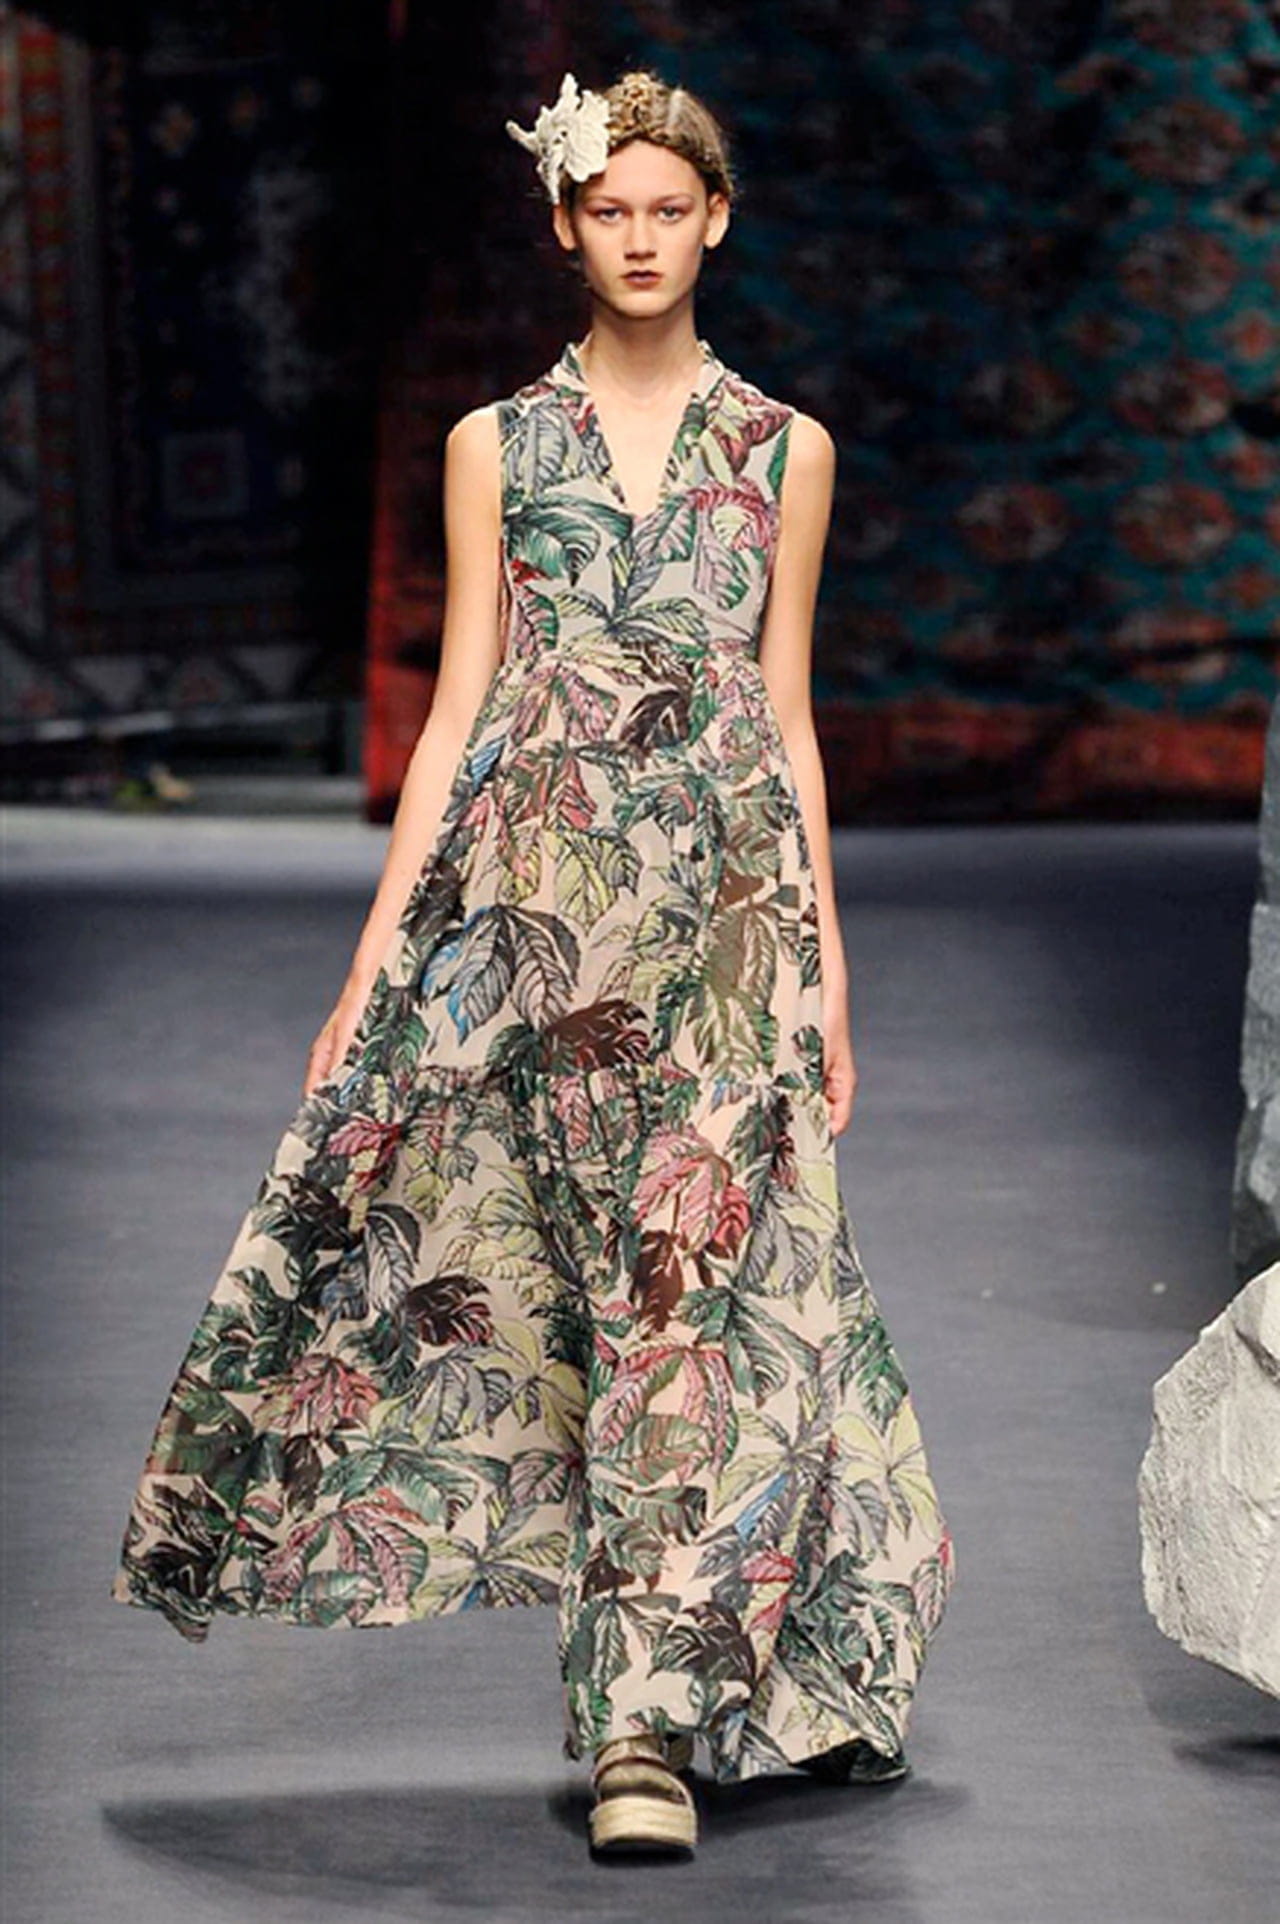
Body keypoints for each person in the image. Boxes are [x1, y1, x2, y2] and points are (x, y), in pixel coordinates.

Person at [111, 67, 953, 1860]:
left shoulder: (785, 450)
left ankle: (642, 1737)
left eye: (671, 210)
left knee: (705, 1302)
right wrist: (372, 963)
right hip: (535, 936)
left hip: (723, 942)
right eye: (609, 210)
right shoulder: (494, 446)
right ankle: (769, 1672)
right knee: (563, 1296)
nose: (641, 239)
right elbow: (459, 712)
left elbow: (785, 716)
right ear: (564, 225)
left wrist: (826, 962)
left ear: (717, 221)